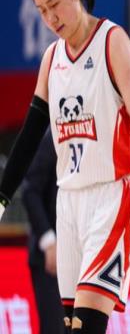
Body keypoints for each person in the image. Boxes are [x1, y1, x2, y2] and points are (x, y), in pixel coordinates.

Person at [0, 0, 130, 333]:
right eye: (41, 11)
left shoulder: (112, 42)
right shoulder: (51, 58)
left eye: (54, 4)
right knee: (70, 326)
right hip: (68, 203)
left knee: (87, 325)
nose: (49, 18)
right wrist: (1, 199)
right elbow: (29, 137)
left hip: (111, 196)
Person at [22, 128, 65, 334]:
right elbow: (30, 191)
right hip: (50, 258)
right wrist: (49, 241)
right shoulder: (53, 134)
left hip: (79, 255)